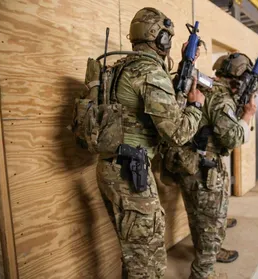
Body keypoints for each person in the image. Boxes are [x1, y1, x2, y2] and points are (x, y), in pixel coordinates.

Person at [96, 7, 205, 279]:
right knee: (148, 265)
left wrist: (183, 65)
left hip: (113, 167)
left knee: (136, 256)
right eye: (166, 38)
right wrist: (196, 107)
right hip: (130, 174)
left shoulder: (122, 66)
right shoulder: (149, 72)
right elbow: (177, 133)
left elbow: (160, 105)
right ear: (160, 39)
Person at [167, 53, 258, 279]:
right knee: (212, 225)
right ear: (239, 79)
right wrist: (247, 116)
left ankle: (209, 252)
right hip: (205, 170)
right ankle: (203, 272)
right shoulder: (222, 99)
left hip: (188, 164)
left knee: (198, 218)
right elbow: (232, 138)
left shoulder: (205, 87)